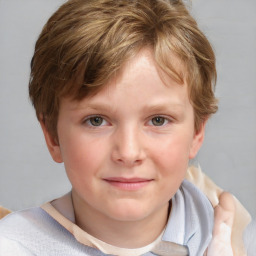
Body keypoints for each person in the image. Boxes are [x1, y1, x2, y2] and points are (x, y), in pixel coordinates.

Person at [0, 0, 252, 255]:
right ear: (52, 136)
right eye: (96, 120)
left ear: (197, 132)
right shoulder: (15, 246)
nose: (129, 153)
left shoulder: (233, 236)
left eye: (158, 120)